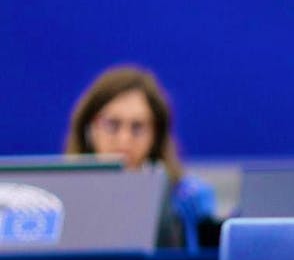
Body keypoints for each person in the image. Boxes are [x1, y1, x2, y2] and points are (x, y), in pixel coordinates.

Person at [65, 65, 219, 249]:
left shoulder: (187, 199)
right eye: (113, 124)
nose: (124, 139)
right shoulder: (61, 198)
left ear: (155, 135)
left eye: (137, 127)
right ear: (89, 129)